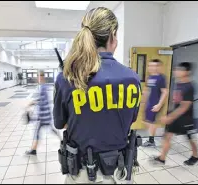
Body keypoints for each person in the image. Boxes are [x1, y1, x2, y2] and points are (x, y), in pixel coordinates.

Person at [53, 7, 141, 184]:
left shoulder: (67, 78)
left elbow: (60, 123)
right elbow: (130, 120)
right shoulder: (132, 78)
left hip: (83, 175)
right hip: (121, 173)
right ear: (112, 37)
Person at [154, 62, 198, 165]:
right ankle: (162, 158)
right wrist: (169, 112)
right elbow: (176, 101)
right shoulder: (178, 83)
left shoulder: (190, 87)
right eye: (176, 69)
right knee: (167, 136)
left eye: (180, 70)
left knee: (190, 138)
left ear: (187, 72)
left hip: (186, 119)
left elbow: (184, 106)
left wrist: (170, 117)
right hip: (175, 116)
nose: (176, 71)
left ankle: (195, 156)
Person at [26, 70, 61, 155]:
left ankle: (34, 150)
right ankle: (61, 139)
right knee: (49, 129)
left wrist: (32, 103)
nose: (39, 78)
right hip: (45, 115)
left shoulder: (42, 87)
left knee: (37, 133)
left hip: (42, 116)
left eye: (39, 76)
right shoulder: (44, 86)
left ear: (42, 77)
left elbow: (41, 100)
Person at [142, 59, 168, 147]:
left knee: (151, 122)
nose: (152, 68)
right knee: (147, 121)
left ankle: (151, 141)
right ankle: (152, 138)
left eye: (155, 66)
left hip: (155, 104)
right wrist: (143, 101)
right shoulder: (150, 77)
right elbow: (147, 90)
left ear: (159, 67)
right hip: (149, 103)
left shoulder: (161, 78)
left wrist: (159, 104)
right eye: (150, 66)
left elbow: (165, 92)